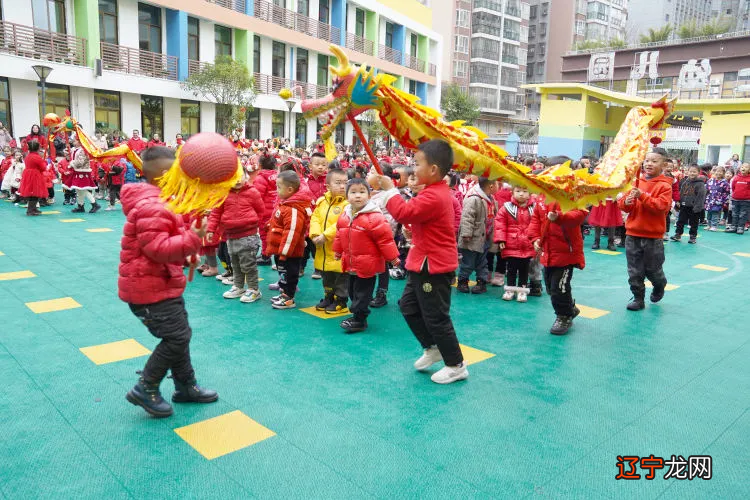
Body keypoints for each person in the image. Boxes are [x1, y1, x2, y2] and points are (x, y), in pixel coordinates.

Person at [119, 146, 218, 418]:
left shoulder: (164, 201)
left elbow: (163, 248)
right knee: (176, 338)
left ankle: (186, 386)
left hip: (160, 284)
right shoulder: (153, 206)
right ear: (165, 176)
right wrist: (193, 238)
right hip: (149, 290)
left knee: (180, 335)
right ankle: (146, 386)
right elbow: (158, 249)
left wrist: (186, 254)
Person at [378, 139, 467, 385]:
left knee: (437, 316)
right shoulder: (433, 192)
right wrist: (414, 231)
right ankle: (432, 347)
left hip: (433, 265)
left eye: (417, 164)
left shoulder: (436, 195)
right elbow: (421, 220)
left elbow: (405, 212)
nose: (412, 168)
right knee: (408, 306)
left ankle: (456, 364)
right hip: (422, 261)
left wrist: (389, 191)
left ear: (434, 170)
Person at [334, 178, 399, 333]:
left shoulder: (374, 217)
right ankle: (357, 314)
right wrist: (338, 250)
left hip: (367, 265)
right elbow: (339, 235)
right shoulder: (344, 215)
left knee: (362, 293)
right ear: (347, 195)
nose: (358, 196)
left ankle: (359, 319)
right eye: (354, 192)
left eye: (362, 192)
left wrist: (392, 257)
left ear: (369, 195)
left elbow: (385, 240)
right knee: (352, 291)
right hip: (351, 263)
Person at [617, 148, 673, 311]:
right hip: (632, 234)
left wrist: (642, 195)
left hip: (653, 237)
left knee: (653, 270)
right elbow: (625, 207)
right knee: (634, 271)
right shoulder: (636, 181)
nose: (649, 163)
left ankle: (659, 284)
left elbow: (661, 207)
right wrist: (626, 201)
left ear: (663, 165)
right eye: (647, 160)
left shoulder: (664, 186)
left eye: (654, 161)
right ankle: (638, 298)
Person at [527, 197, 586, 335]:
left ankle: (564, 316)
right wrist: (535, 238)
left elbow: (578, 216)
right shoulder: (541, 199)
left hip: (566, 254)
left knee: (559, 287)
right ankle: (570, 307)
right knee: (550, 287)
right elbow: (535, 220)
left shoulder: (573, 195)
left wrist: (559, 216)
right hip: (547, 252)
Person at [206, 169, 265, 303]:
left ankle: (253, 289)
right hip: (231, 236)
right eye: (233, 178)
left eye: (240, 176)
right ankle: (238, 286)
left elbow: (261, 211)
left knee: (248, 265)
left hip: (248, 236)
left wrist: (255, 225)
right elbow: (216, 213)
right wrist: (210, 230)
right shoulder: (223, 194)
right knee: (236, 263)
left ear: (246, 176)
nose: (238, 180)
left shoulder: (252, 192)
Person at [265, 170, 312, 310]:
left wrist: (284, 252)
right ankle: (284, 293)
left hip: (289, 252)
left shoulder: (293, 209)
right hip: (282, 249)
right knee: (284, 272)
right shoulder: (286, 204)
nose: (276, 190)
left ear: (290, 189)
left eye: (279, 187)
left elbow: (291, 232)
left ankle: (289, 298)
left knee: (290, 273)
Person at [310, 168, 350, 313]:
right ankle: (329, 296)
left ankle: (341, 301)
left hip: (339, 248)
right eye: (338, 183)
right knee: (327, 275)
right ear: (327, 186)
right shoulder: (322, 202)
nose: (342, 186)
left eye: (345, 183)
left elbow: (341, 222)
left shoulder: (348, 204)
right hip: (323, 248)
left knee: (340, 276)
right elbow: (315, 218)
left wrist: (325, 235)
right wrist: (315, 234)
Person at [457, 177, 498, 294]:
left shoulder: (491, 199)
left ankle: (481, 282)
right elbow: (467, 217)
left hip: (484, 238)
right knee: (468, 262)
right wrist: (466, 234)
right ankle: (463, 281)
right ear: (491, 186)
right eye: (497, 184)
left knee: (482, 262)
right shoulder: (474, 199)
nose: (499, 187)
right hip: (471, 239)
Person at [495, 186, 536, 302]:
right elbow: (500, 224)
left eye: (525, 191)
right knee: (511, 268)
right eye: (518, 191)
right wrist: (501, 240)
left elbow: (538, 225)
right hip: (511, 244)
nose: (521, 194)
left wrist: (537, 240)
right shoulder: (507, 208)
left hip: (527, 244)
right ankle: (510, 289)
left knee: (524, 268)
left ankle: (522, 290)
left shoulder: (534, 208)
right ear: (512, 192)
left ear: (530, 193)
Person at [305, 152, 329, 280]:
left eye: (324, 165)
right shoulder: (305, 181)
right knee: (304, 243)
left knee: (318, 244)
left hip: (323, 217)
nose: (321, 167)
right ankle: (300, 267)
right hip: (308, 216)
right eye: (317, 164)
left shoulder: (328, 181)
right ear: (310, 165)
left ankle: (318, 268)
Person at [670, 165, 707, 244]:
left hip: (694, 207)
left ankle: (692, 237)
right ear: (688, 172)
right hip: (684, 206)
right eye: (690, 171)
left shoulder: (700, 184)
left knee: (694, 223)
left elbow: (701, 196)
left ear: (698, 173)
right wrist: (678, 201)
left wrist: (697, 207)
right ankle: (678, 234)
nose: (692, 173)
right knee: (680, 221)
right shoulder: (685, 182)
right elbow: (681, 192)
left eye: (694, 172)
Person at [254, 153, 278, 265]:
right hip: (276, 209)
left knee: (264, 234)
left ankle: (265, 256)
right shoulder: (278, 176)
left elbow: (257, 197)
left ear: (260, 165)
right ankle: (273, 254)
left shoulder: (260, 178)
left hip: (264, 212)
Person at [68, 135, 101, 213]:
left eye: (75, 140)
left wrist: (72, 163)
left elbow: (80, 162)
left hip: (83, 172)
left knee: (83, 190)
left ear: (80, 142)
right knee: (78, 190)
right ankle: (80, 206)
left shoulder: (83, 150)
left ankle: (94, 204)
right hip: (78, 171)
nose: (73, 141)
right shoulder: (75, 149)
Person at [18, 141, 48, 216]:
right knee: (35, 193)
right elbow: (43, 168)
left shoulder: (28, 156)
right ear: (38, 148)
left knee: (32, 192)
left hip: (28, 174)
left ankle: (33, 208)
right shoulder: (37, 157)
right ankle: (30, 210)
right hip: (35, 175)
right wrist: (44, 162)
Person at [727, 162, 750, 234]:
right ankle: (734, 226)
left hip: (746, 200)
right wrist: (736, 194)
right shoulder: (736, 178)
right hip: (735, 199)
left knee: (743, 214)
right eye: (742, 167)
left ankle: (740, 227)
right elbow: (733, 187)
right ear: (740, 169)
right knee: (734, 213)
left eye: (746, 167)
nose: (743, 168)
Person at [704, 166, 730, 231]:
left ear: (723, 173)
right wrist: (705, 198)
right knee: (709, 213)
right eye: (716, 171)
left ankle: (714, 225)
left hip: (718, 201)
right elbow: (706, 189)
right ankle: (709, 225)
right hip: (709, 200)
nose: (718, 173)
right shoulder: (710, 180)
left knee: (715, 213)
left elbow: (726, 193)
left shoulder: (725, 183)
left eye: (720, 171)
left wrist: (725, 201)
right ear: (714, 172)